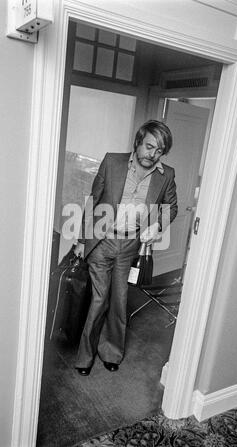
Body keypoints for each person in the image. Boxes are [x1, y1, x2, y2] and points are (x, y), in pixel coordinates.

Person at [74, 120, 178, 375]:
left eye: (159, 150)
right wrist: (80, 239)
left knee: (119, 301)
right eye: (149, 146)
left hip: (131, 244)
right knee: (100, 299)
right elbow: (93, 200)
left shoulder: (167, 175)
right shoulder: (112, 162)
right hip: (103, 241)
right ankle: (84, 357)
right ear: (138, 142)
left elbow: (172, 207)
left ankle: (111, 351)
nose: (152, 155)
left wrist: (159, 225)